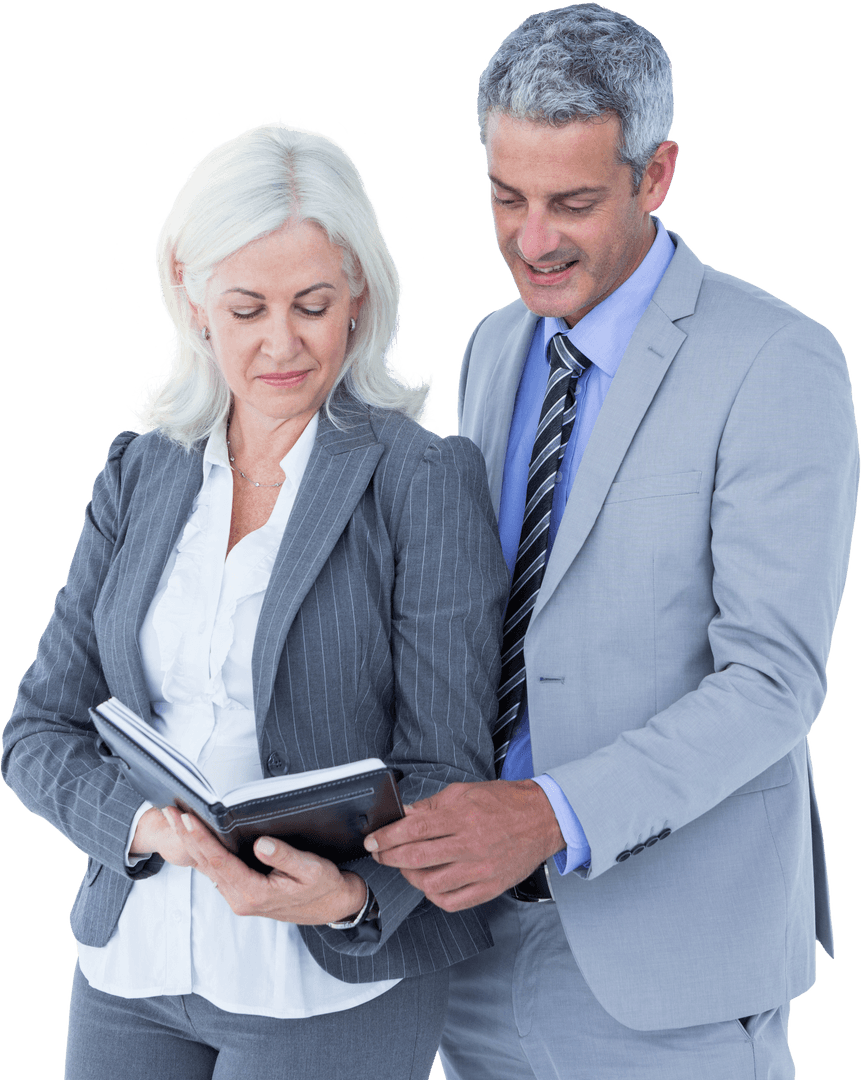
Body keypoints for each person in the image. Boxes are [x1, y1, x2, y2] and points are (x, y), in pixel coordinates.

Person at [364, 5, 860, 1078]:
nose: (533, 240)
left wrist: (551, 815)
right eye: (507, 197)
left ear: (657, 173)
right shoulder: (499, 346)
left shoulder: (779, 361)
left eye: (573, 203)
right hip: (470, 942)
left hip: (666, 972)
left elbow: (774, 678)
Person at [1, 118, 508, 1080]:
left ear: (358, 293)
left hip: (329, 979)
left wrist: (350, 898)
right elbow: (37, 730)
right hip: (133, 962)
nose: (282, 343)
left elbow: (445, 769)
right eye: (246, 309)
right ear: (191, 299)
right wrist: (143, 829)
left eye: (311, 304)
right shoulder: (143, 471)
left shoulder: (423, 478)